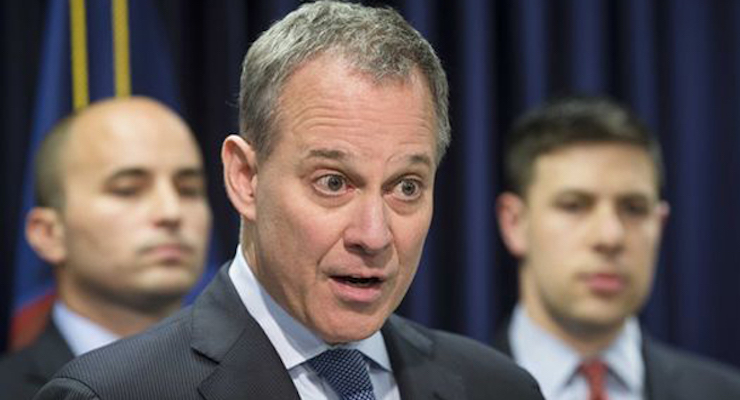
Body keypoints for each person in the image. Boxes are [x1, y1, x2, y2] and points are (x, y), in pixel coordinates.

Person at [34, 2, 543, 399]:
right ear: (246, 178)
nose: (374, 235)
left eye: (405, 187)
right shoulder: (115, 394)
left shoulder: (498, 388)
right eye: (333, 182)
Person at [494, 96, 740, 399]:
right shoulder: (449, 390)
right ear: (514, 223)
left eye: (634, 208)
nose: (611, 237)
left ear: (660, 225)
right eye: (574, 206)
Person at [0, 96, 213, 399]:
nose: (171, 212)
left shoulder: (254, 381)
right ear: (49, 234)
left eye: (189, 190)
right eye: (127, 190)